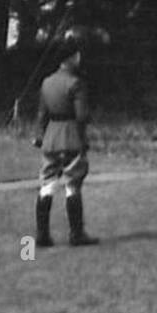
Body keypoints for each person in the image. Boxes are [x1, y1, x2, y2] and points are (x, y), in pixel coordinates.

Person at [33, 28, 100, 247]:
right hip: (71, 137)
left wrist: (39, 136)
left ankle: (42, 235)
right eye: (76, 55)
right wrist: (84, 137)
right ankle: (76, 234)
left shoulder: (46, 82)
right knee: (73, 184)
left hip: (51, 137)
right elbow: (81, 116)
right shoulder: (76, 83)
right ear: (70, 59)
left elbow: (41, 114)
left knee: (47, 184)